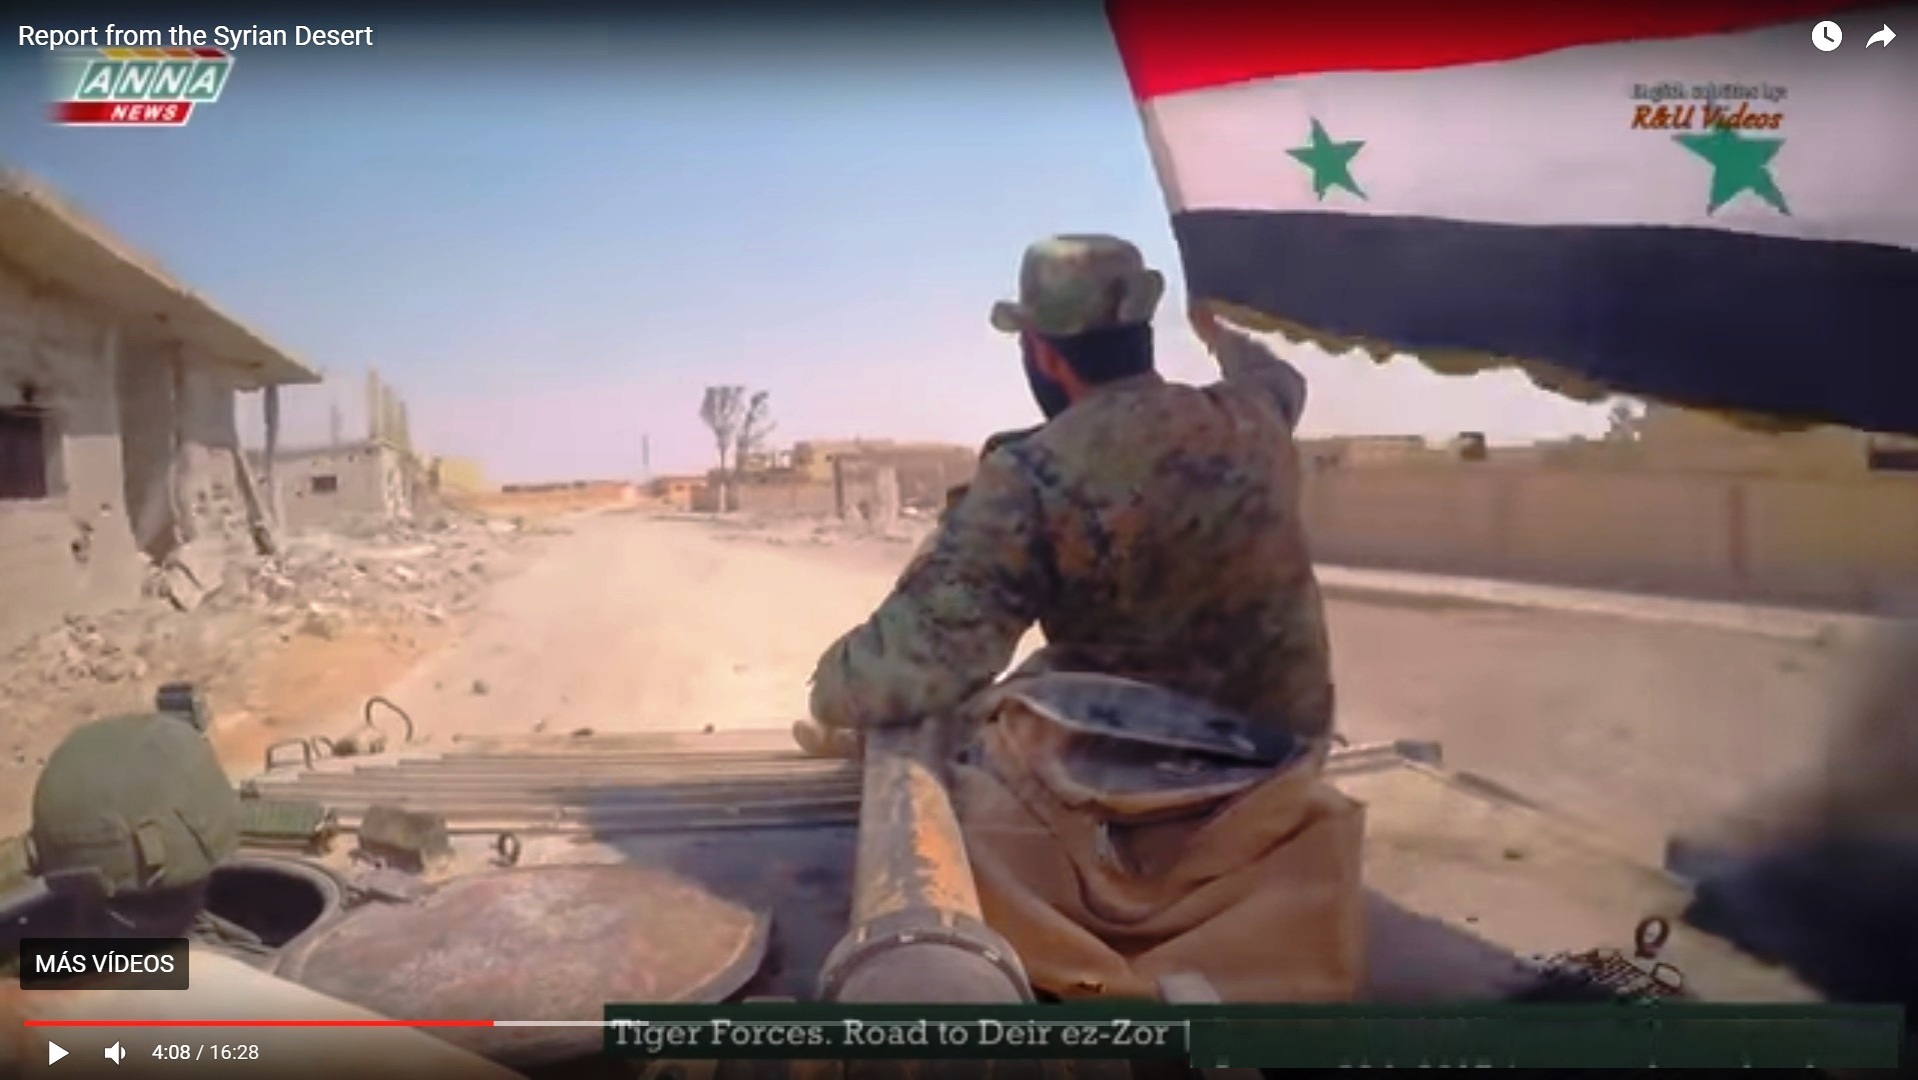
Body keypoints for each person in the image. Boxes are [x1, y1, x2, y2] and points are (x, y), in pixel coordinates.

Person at [796, 234, 1333, 758]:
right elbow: (1279, 378)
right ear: (1141, 332)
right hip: (1288, 749)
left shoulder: (1030, 473)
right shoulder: (1253, 417)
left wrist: (833, 679)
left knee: (940, 732)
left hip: (1137, 769)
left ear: (1043, 354)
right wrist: (1219, 335)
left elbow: (912, 670)